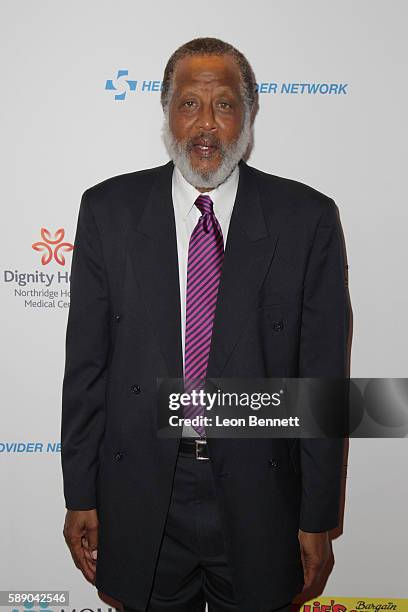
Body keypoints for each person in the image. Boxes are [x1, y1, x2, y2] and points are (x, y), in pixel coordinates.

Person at [61, 37, 351, 612]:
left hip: (261, 492)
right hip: (141, 490)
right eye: (189, 103)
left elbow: (322, 380)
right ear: (167, 111)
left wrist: (317, 514)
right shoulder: (108, 211)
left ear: (248, 115)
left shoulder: (307, 219)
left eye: (224, 104)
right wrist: (80, 491)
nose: (206, 125)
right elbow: (87, 367)